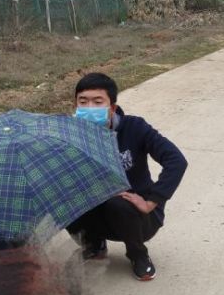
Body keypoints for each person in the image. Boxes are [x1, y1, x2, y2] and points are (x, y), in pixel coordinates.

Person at [66, 73, 187, 281]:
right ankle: (94, 244)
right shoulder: (70, 135)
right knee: (64, 199)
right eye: (83, 102)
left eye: (97, 102)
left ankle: (138, 254)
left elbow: (176, 161)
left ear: (111, 107)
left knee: (118, 202)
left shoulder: (135, 128)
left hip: (137, 215)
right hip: (97, 210)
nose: (90, 108)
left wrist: (152, 201)